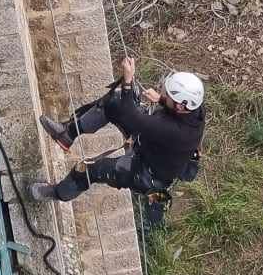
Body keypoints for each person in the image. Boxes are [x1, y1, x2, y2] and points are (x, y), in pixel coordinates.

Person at [30, 56, 206, 205]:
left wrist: (128, 81)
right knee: (114, 103)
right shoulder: (195, 110)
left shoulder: (175, 130)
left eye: (169, 96)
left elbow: (132, 118)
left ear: (180, 106)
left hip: (144, 171)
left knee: (89, 169)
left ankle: (57, 193)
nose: (165, 95)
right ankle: (67, 134)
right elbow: (159, 114)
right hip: (148, 142)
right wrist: (161, 99)